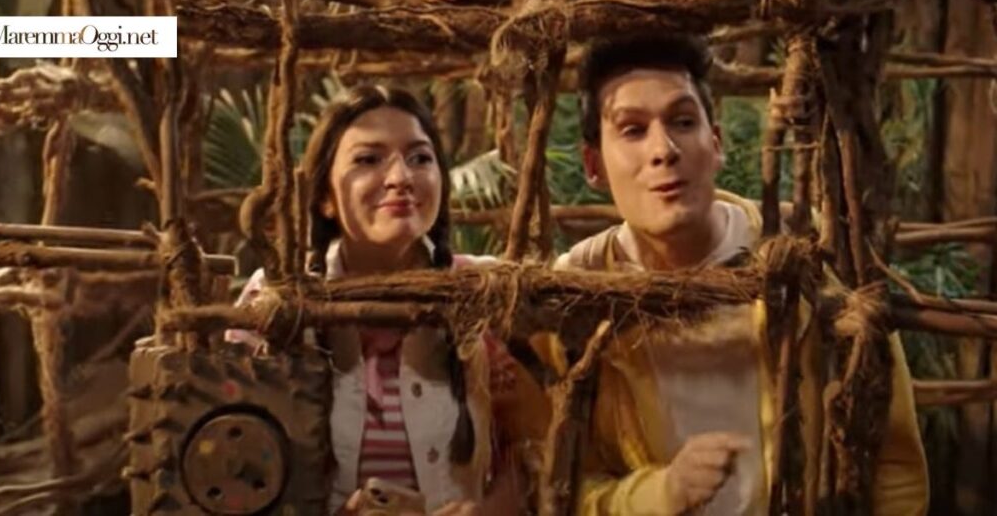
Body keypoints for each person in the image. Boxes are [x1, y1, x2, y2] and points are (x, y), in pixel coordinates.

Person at [537, 34, 928, 515]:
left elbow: (892, 459)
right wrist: (660, 495)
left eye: (683, 122)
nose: (664, 150)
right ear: (593, 165)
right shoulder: (576, 293)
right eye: (633, 130)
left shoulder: (808, 258)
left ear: (716, 144)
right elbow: (560, 483)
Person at [226, 85, 547, 515]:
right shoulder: (276, 299)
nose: (401, 178)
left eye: (420, 158)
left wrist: (487, 510)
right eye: (368, 159)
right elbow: (234, 457)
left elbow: (533, 445)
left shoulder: (483, 291)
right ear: (324, 197)